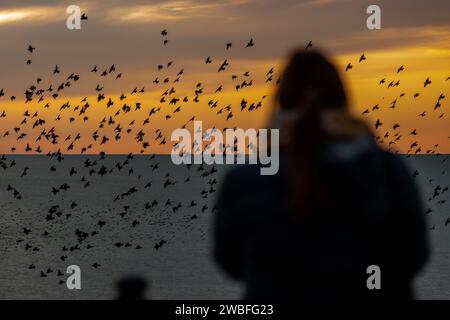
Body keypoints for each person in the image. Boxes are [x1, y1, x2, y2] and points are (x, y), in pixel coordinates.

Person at [212, 49, 429, 300]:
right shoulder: (388, 171)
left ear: (280, 102)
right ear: (343, 101)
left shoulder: (246, 179)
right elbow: (415, 256)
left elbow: (230, 262)